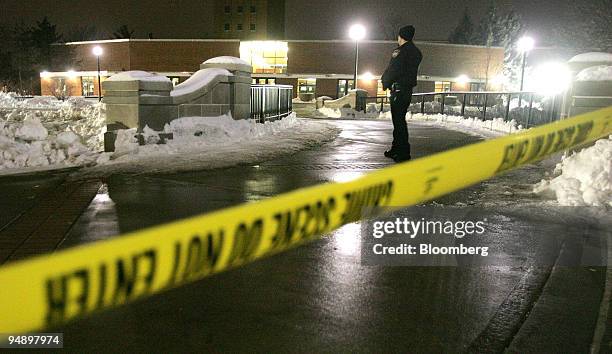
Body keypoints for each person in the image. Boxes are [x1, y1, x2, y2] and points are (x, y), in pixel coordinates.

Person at [381, 25, 423, 162]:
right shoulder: (416, 52)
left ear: (401, 36)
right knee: (400, 120)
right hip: (407, 90)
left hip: (398, 90)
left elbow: (393, 69)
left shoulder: (400, 52)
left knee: (398, 121)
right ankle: (397, 148)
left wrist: (385, 81)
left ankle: (402, 151)